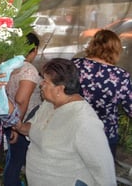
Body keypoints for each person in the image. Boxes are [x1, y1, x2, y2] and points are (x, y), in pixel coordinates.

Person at [14, 58, 116, 186]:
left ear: (59, 89)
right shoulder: (48, 104)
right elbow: (34, 128)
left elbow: (103, 170)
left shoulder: (84, 121)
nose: (41, 84)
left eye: (45, 81)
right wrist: (19, 126)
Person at [72, 29, 132, 159]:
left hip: (73, 129)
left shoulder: (74, 65)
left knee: (71, 176)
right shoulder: (120, 76)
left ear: (93, 44)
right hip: (105, 135)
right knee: (102, 177)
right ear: (116, 50)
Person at [3, 33, 42, 186]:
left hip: (9, 116)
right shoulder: (29, 70)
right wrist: (16, 126)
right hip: (21, 121)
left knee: (13, 159)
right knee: (16, 162)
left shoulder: (10, 64)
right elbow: (21, 99)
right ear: (35, 50)